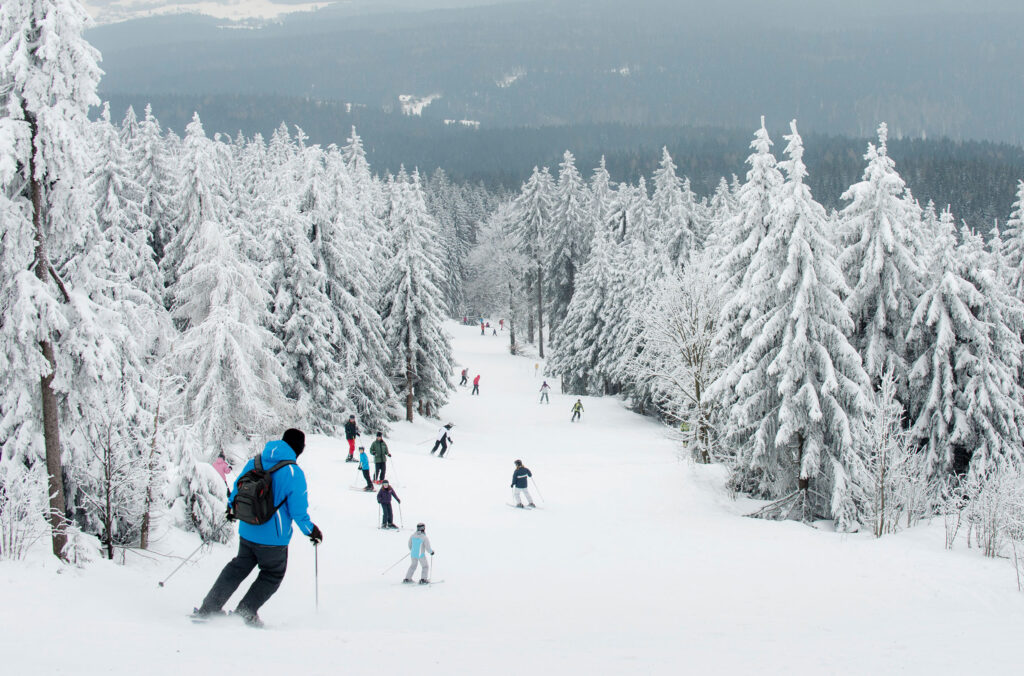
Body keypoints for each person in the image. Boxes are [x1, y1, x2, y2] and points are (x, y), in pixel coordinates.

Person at [193, 429, 322, 627]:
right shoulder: (293, 472)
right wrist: (311, 530)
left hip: (247, 529)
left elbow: (237, 488)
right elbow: (297, 511)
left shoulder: (256, 461)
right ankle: (246, 611)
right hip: (273, 539)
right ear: (299, 448)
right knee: (272, 574)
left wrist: (231, 509)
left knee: (237, 568)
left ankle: (209, 608)